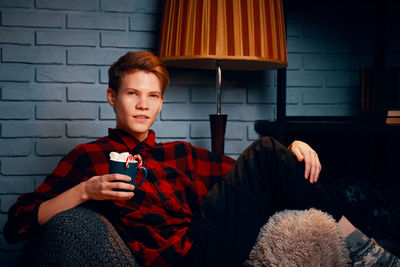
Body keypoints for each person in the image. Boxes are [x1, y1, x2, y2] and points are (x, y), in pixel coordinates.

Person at [3, 51, 399, 267]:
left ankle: (363, 243)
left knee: (270, 152)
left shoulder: (181, 153)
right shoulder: (89, 156)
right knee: (266, 151)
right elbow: (18, 222)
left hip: (210, 239)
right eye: (131, 93)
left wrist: (296, 149)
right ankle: (367, 248)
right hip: (182, 259)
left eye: (152, 96)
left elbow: (260, 176)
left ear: (160, 103)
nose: (142, 105)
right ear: (112, 97)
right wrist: (86, 191)